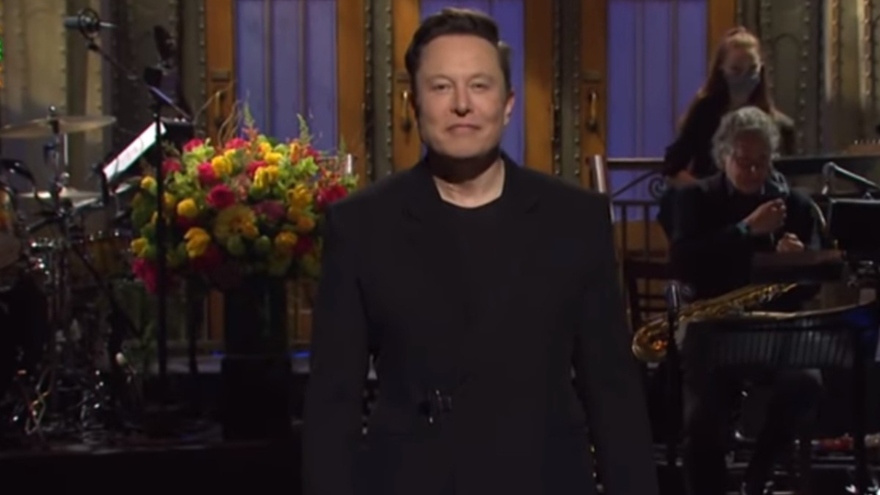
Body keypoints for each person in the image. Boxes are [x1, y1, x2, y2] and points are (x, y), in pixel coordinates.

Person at [302, 8, 658, 495]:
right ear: (413, 104)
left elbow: (612, 392)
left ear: (508, 104)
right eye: (441, 87)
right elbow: (333, 403)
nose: (462, 105)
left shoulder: (575, 220)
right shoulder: (361, 225)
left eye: (479, 85)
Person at [668, 106, 822, 495]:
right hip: (712, 328)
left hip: (777, 329)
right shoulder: (696, 198)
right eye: (743, 162)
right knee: (702, 418)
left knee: (806, 382)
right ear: (724, 156)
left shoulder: (796, 206)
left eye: (762, 162)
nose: (754, 171)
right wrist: (744, 230)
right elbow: (684, 261)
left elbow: (811, 287)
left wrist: (797, 262)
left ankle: (759, 474)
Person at [658, 26, 795, 236]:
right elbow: (673, 167)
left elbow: (783, 179)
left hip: (758, 207)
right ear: (722, 69)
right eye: (736, 70)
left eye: (752, 70)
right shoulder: (705, 111)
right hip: (709, 211)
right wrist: (705, 193)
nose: (745, 78)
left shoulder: (778, 123)